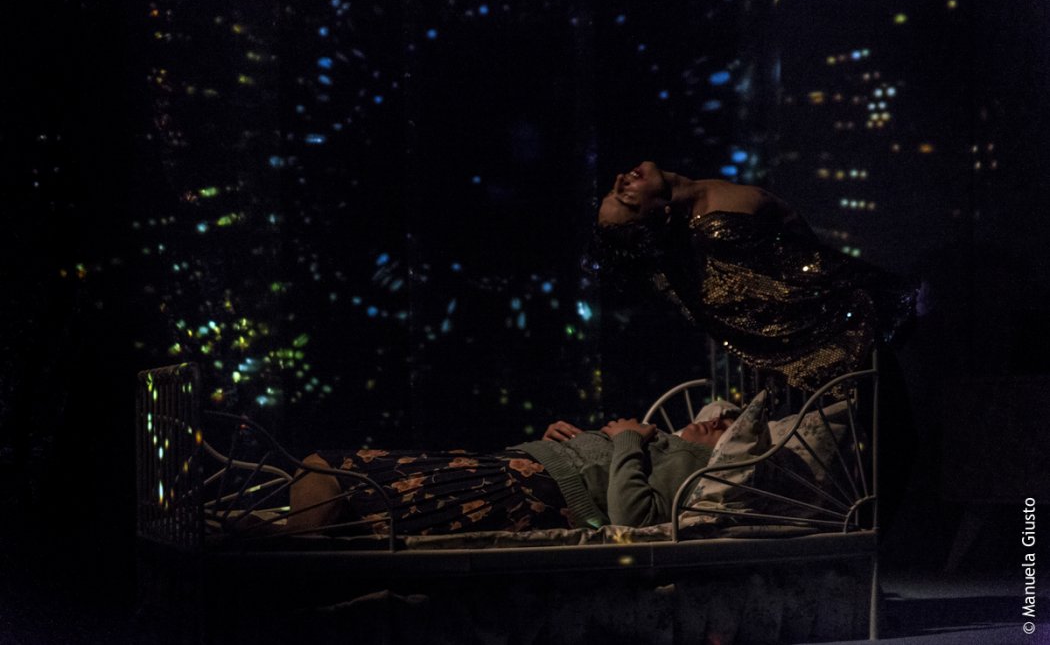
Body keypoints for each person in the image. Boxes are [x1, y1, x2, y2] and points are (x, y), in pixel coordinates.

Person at [593, 161, 916, 392]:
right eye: (626, 197)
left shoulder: (704, 210)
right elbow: (799, 285)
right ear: (661, 215)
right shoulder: (718, 231)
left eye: (615, 189)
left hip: (869, 327)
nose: (621, 179)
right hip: (864, 338)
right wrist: (881, 296)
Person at [286, 412, 736, 536]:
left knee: (333, 472)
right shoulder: (665, 441)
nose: (716, 418)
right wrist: (561, 442)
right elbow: (607, 465)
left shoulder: (699, 463)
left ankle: (285, 554)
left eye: (728, 424)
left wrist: (627, 440)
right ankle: (281, 543)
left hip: (522, 491)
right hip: (514, 469)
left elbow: (633, 517)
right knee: (323, 467)